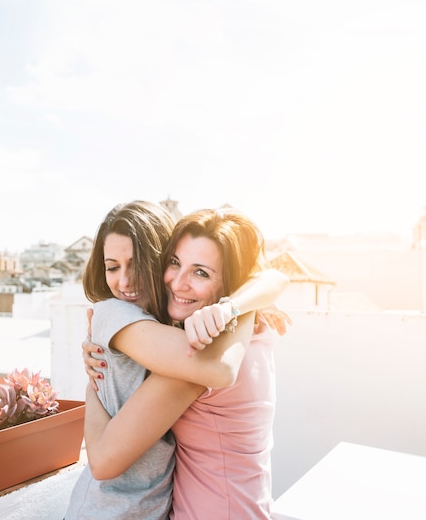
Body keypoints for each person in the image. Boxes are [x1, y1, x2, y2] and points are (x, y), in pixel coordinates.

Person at [66, 201, 288, 520]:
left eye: (200, 272)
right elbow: (272, 280)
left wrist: (93, 386)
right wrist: (239, 306)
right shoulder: (249, 331)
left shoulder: (203, 355)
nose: (178, 282)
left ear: (229, 282)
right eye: (174, 263)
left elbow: (102, 461)